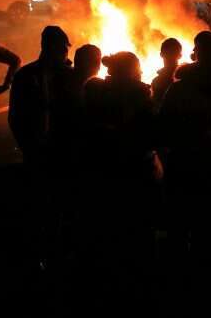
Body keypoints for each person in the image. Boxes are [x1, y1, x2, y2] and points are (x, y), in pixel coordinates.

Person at [159, 31, 211, 275]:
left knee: (181, 225)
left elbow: (164, 125)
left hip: (185, 166)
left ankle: (183, 279)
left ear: (197, 54)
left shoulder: (180, 89)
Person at [78, 52, 159, 279]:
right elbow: (153, 134)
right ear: (132, 70)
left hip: (101, 171)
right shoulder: (140, 94)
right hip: (134, 172)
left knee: (106, 229)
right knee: (138, 231)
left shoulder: (93, 91)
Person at [8, 25, 75, 269]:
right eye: (63, 48)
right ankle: (39, 256)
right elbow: (16, 117)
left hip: (62, 151)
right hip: (40, 152)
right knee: (41, 204)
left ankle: (56, 254)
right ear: (52, 47)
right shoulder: (28, 76)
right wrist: (29, 145)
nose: (65, 54)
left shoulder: (68, 76)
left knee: (60, 205)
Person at [151, 37, 183, 109]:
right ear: (180, 56)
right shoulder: (186, 77)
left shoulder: (156, 82)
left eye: (172, 53)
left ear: (161, 54)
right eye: (169, 53)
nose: (170, 56)